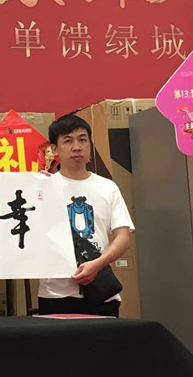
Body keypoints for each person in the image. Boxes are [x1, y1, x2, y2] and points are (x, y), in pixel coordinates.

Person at [38, 114, 134, 317]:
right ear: (54, 149)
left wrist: (97, 265)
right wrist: (34, 188)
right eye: (68, 141)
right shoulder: (43, 188)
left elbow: (123, 238)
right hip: (56, 293)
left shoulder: (107, 187)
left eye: (82, 139)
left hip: (100, 292)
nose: (76, 147)